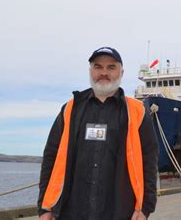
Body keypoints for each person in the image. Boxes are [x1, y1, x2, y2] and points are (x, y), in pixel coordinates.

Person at [37, 47, 159, 220]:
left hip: (120, 212)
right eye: (98, 67)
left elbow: (149, 160)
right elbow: (51, 156)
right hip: (72, 212)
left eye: (111, 67)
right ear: (90, 71)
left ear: (121, 72)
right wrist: (45, 207)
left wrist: (145, 207)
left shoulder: (137, 112)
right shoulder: (70, 109)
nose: (104, 73)